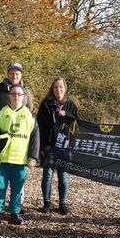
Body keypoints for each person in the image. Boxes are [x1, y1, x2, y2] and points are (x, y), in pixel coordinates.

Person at [0, 84, 40, 226]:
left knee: (17, 189)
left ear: (24, 97)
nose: (16, 96)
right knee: (0, 188)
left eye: (19, 94)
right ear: (9, 96)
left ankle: (14, 213)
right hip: (4, 158)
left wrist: (33, 157)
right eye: (14, 94)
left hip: (21, 159)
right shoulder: (3, 112)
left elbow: (35, 138)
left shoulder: (29, 115)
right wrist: (4, 136)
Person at [36, 76, 78, 215]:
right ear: (52, 89)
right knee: (47, 174)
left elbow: (77, 125)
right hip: (49, 145)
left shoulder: (71, 105)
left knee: (63, 176)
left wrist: (67, 115)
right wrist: (41, 147)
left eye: (60, 87)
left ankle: (62, 203)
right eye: (55, 87)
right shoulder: (46, 104)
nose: (58, 89)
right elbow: (39, 126)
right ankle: (46, 203)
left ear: (65, 88)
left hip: (65, 146)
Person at [0, 61, 33, 137]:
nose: (14, 76)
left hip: (21, 133)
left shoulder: (26, 92)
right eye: (12, 74)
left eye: (17, 74)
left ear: (21, 75)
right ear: (8, 74)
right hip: (1, 132)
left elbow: (30, 110)